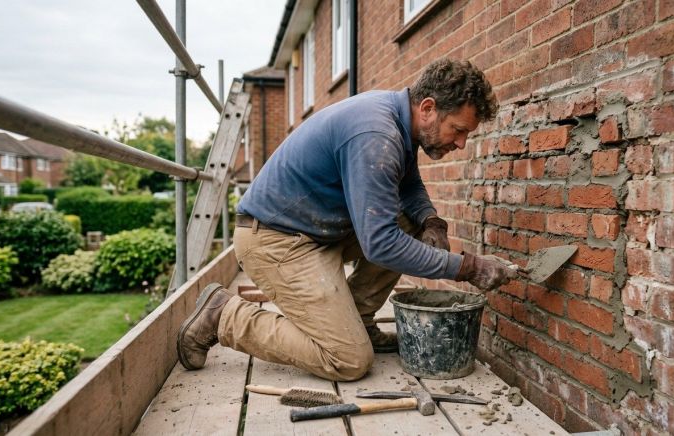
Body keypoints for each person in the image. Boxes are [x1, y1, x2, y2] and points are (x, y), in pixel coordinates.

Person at [176, 59, 518, 381]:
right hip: (274, 240)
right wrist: (467, 268)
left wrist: (431, 222)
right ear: (428, 108)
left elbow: (408, 184)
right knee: (348, 360)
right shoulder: (377, 135)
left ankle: (358, 320)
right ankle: (224, 315)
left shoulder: (399, 120)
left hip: (316, 231)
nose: (460, 143)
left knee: (410, 224)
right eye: (457, 130)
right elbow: (381, 244)